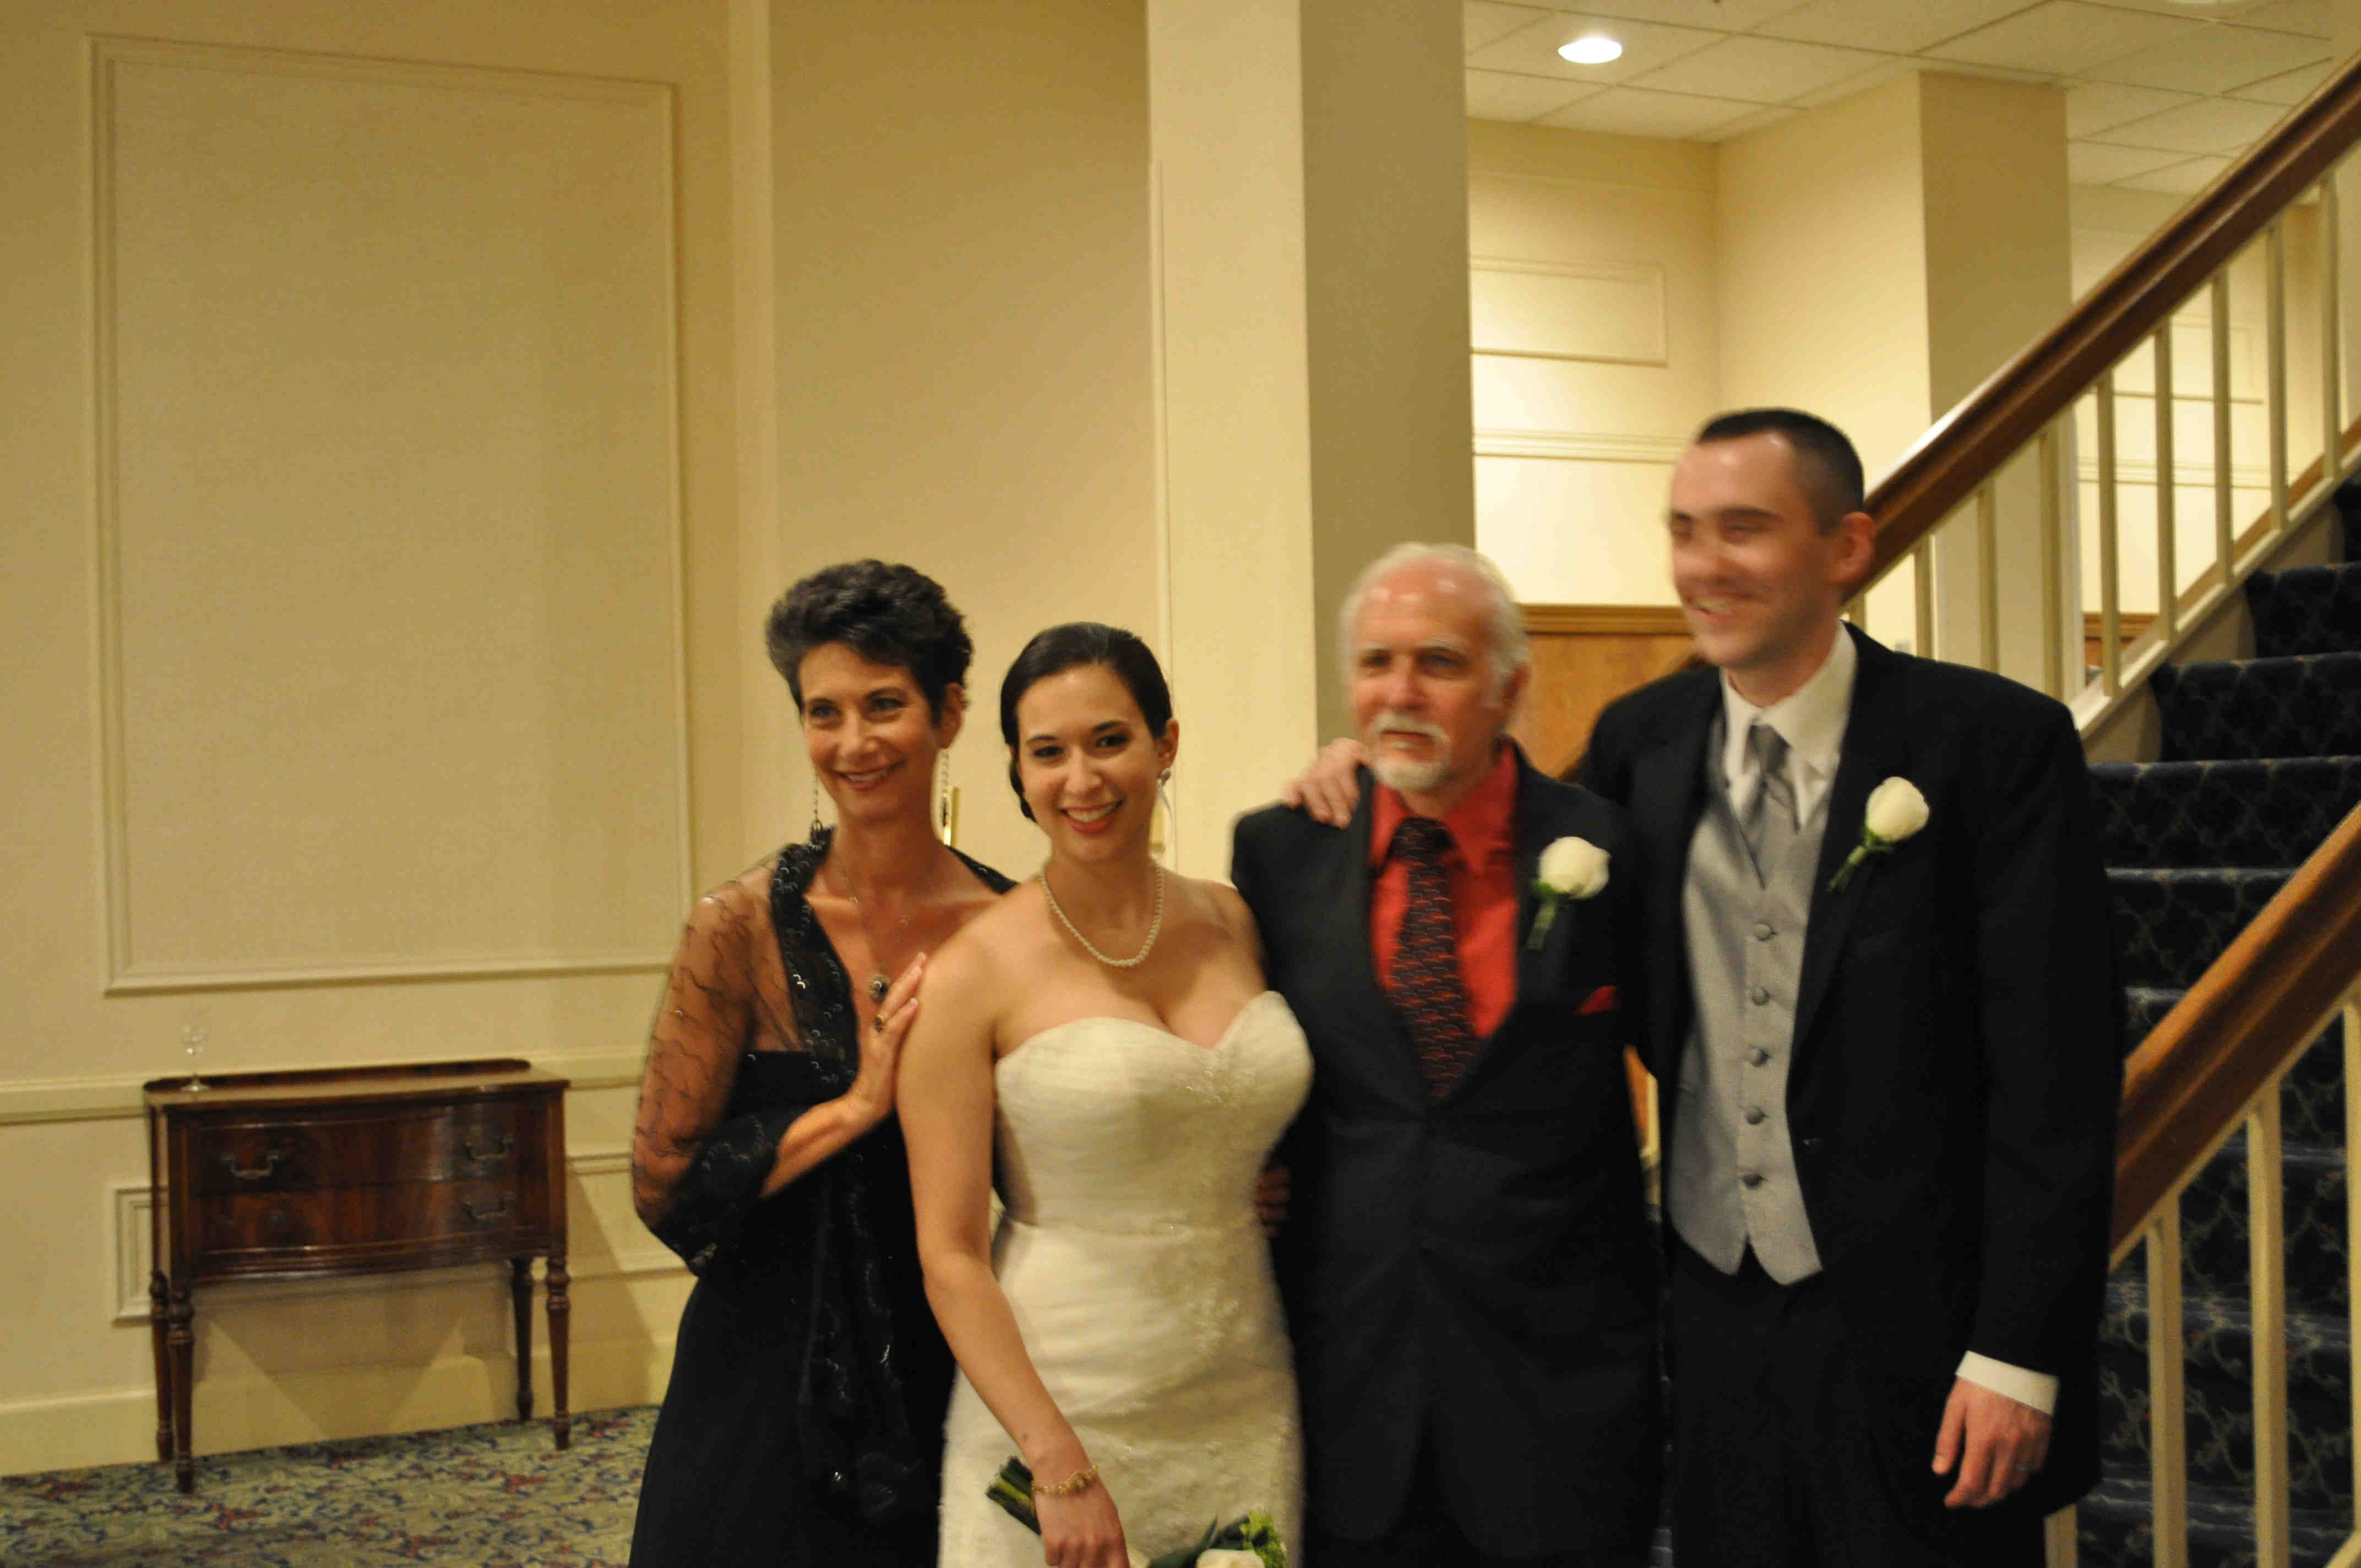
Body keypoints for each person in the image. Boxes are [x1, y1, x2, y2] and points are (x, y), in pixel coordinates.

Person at [1291, 412, 2123, 1566]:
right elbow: (1498, 845)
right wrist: (1374, 769)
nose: (1702, 565)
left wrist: (2016, 1349)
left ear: (1845, 548)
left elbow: (2057, 1081)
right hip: (1714, 1321)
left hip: (1928, 1334)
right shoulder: (1643, 741)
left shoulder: (1991, 744)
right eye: (1683, 531)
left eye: (1743, 528)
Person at [1237, 543, 1660, 1568]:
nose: (1401, 693)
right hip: (1351, 1402)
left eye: (1439, 663)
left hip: (1562, 1408)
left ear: (1509, 688)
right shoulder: (1280, 854)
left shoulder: (1609, 849)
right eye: (1376, 663)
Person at [899, 623, 1311, 1568]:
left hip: (1245, 1395)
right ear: (1019, 771)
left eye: (1110, 740)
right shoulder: (971, 971)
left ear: (1166, 744)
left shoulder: (1233, 919)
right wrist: (1055, 1461)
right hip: (1061, 1405)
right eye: (1048, 753)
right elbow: (949, 1256)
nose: (1081, 779)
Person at [627, 561, 1012, 1568]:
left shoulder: (1014, 926)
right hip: (759, 1380)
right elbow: (665, 1182)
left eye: (884, 705)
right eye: (823, 713)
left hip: (947, 1367)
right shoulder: (738, 928)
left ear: (950, 713)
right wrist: (855, 1106)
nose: (853, 744)